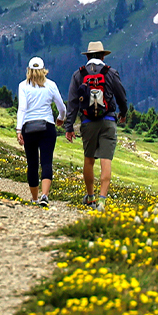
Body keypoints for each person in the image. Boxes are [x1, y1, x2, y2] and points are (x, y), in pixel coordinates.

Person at [63, 40, 128, 211]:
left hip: (87, 122)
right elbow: (121, 95)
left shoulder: (79, 74)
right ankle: (102, 201)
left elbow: (73, 103)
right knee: (106, 160)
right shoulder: (110, 72)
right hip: (108, 121)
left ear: (88, 56)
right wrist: (123, 112)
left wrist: (69, 127)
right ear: (102, 56)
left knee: (89, 160)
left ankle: (90, 197)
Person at [16, 56, 66, 207]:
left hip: (29, 127)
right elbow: (62, 106)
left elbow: (22, 108)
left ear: (29, 70)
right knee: (46, 161)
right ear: (44, 70)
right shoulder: (51, 85)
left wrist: (19, 129)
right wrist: (60, 118)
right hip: (47, 127)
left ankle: (34, 198)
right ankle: (45, 195)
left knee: (32, 163)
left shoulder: (23, 86)